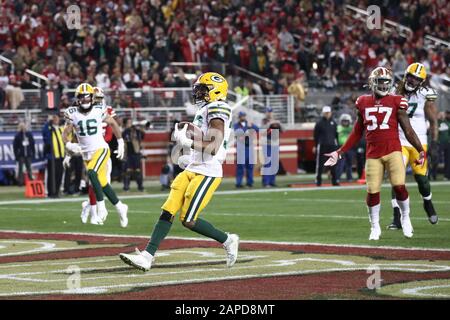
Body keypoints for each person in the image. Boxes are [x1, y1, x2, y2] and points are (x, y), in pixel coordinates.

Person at [119, 72, 239, 271]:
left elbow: (214, 147)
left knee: (188, 220)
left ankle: (228, 240)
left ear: (216, 91)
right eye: (198, 89)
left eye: (203, 89)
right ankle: (147, 257)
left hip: (208, 172)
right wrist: (190, 154)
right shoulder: (207, 109)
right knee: (168, 209)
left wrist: (188, 142)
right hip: (194, 167)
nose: (199, 93)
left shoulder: (219, 107)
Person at [324, 67, 425, 240]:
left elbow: (408, 130)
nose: (384, 85)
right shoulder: (362, 101)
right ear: (372, 82)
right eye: (380, 82)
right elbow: (357, 132)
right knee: (372, 191)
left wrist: (421, 150)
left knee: (399, 186)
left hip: (393, 150)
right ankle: (375, 226)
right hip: (373, 154)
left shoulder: (397, 100)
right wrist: (340, 152)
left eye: (387, 82)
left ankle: (405, 217)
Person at [62, 83, 128, 228]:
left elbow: (114, 124)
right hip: (87, 154)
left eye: (87, 97)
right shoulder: (72, 112)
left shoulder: (100, 109)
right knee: (103, 183)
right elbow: (66, 133)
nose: (85, 100)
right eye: (82, 97)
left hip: (101, 149)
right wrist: (68, 146)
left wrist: (121, 142)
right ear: (77, 99)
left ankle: (100, 207)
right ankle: (120, 207)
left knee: (92, 174)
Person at [387, 63, 439, 229]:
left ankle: (428, 203)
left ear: (421, 82)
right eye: (410, 76)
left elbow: (433, 121)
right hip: (399, 140)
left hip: (419, 142)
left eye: (416, 79)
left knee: (422, 179)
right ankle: (396, 218)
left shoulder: (425, 95)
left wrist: (435, 141)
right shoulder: (394, 91)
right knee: (397, 178)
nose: (412, 80)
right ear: (405, 75)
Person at [313, 106, 339, 186]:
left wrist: (337, 145)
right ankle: (318, 181)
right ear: (323, 113)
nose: (327, 114)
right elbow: (315, 135)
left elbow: (336, 135)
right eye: (325, 113)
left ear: (331, 113)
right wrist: (315, 145)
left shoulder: (334, 123)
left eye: (328, 113)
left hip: (332, 145)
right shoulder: (319, 123)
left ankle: (334, 181)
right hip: (322, 145)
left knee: (333, 164)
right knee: (320, 164)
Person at [234, 111, 259, 188]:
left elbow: (257, 129)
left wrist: (250, 126)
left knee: (250, 166)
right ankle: (239, 183)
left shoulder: (249, 124)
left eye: (244, 116)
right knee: (240, 166)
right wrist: (248, 128)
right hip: (241, 147)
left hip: (249, 147)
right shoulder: (236, 125)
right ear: (239, 117)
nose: (243, 117)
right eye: (242, 116)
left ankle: (250, 182)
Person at [42, 114, 65, 198]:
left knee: (59, 174)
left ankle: (57, 191)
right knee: (51, 175)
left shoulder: (61, 128)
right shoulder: (48, 128)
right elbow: (46, 136)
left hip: (61, 156)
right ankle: (51, 192)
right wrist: (49, 122)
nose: (56, 119)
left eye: (57, 117)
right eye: (54, 118)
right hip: (52, 156)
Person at [122, 120, 145, 191]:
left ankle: (140, 187)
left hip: (136, 154)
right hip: (128, 154)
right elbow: (123, 140)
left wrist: (140, 126)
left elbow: (142, 135)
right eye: (129, 123)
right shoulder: (125, 132)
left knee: (138, 171)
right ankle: (126, 187)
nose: (131, 124)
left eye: (131, 122)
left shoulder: (138, 132)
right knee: (127, 171)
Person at [336, 114, 354, 182]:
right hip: (341, 147)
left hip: (350, 148)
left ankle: (349, 177)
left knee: (349, 163)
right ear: (341, 121)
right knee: (340, 163)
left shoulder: (352, 128)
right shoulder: (338, 128)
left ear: (349, 121)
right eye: (344, 121)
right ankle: (337, 177)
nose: (345, 122)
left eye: (346, 121)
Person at [438, 111, 450, 180]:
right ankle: (431, 175)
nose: (442, 115)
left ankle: (447, 175)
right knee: (435, 159)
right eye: (441, 114)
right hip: (439, 143)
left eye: (443, 114)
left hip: (447, 143)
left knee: (448, 160)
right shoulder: (437, 122)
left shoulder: (448, 123)